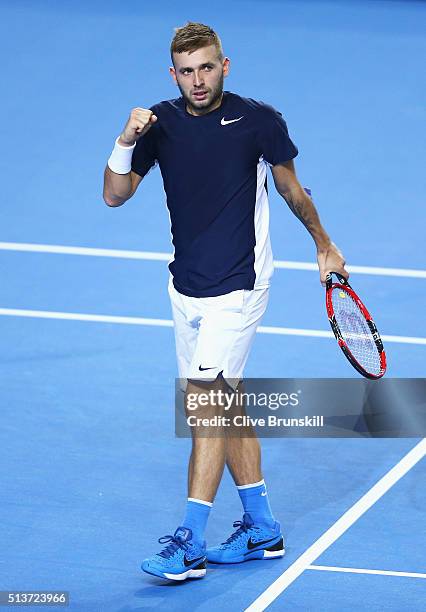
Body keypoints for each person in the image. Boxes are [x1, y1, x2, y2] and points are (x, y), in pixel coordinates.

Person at [103, 21, 348, 582]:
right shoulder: (159, 126)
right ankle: (262, 528)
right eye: (186, 71)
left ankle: (189, 540)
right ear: (173, 74)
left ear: (225, 66)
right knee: (223, 402)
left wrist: (324, 245)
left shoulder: (257, 121)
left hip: (239, 285)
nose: (197, 80)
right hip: (186, 286)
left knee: (205, 407)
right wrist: (124, 140)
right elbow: (115, 196)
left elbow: (291, 188)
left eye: (207, 67)